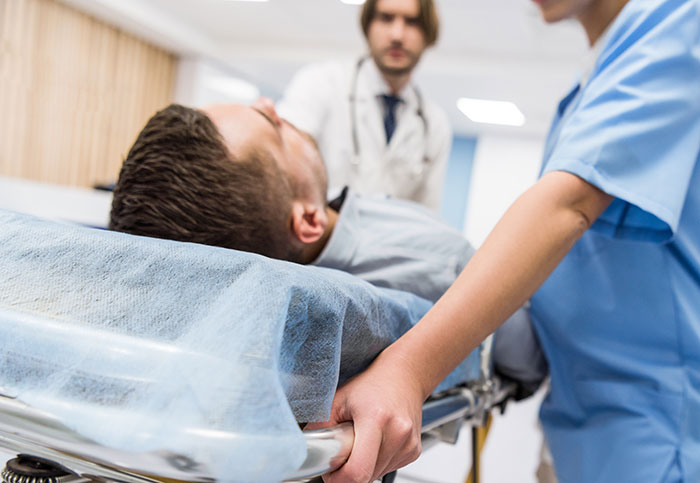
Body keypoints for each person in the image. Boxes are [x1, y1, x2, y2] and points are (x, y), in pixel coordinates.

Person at [312, 0, 700, 481]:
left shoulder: (680, 21)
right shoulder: (595, 77)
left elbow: (568, 205)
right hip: (588, 405)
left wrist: (409, 369)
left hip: (653, 414)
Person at [109, 99, 544, 388]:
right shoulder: (438, 260)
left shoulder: (323, 219)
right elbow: (525, 356)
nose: (268, 104)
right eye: (271, 126)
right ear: (309, 221)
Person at [276, 0, 451, 212]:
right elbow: (280, 162)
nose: (397, 34)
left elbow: (425, 214)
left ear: (428, 34)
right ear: (367, 26)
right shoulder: (319, 83)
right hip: (315, 239)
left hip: (386, 244)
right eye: (386, 18)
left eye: (412, 22)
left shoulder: (435, 124)